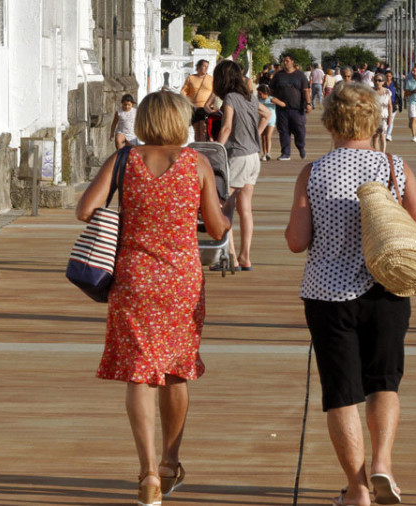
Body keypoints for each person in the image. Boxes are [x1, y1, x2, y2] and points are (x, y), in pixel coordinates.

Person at [75, 90, 230, 506]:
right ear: (180, 122)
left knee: (139, 373)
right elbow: (217, 230)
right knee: (176, 369)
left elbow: (85, 209)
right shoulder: (196, 164)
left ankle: (146, 474)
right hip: (181, 280)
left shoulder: (124, 160)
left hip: (134, 278)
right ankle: (169, 461)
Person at [285, 82, 416, 506]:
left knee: (342, 391)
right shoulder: (392, 166)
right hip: (385, 289)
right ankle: (383, 462)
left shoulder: (313, 172)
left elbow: (297, 241)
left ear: (331, 122)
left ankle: (358, 487)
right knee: (384, 383)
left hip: (328, 295)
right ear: (375, 121)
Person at [213, 60, 271, 271]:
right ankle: (245, 256)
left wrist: (216, 151)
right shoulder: (249, 96)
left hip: (238, 155)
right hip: (253, 157)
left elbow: (227, 127)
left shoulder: (230, 97)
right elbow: (267, 114)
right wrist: (257, 133)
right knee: (244, 208)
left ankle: (229, 256)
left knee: (220, 205)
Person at [270, 53, 312, 161]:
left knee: (300, 131)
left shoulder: (300, 75)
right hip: (282, 109)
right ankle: (285, 153)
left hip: (297, 109)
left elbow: (306, 91)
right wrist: (274, 100)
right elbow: (271, 90)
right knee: (283, 131)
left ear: (292, 62)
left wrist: (308, 104)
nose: (285, 63)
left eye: (287, 61)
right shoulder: (278, 75)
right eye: (284, 61)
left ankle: (301, 147)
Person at [257, 84, 283, 161]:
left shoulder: (271, 99)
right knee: (263, 137)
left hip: (271, 120)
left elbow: (283, 104)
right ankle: (264, 153)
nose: (259, 95)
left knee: (268, 136)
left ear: (265, 93)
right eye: (258, 93)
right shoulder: (259, 100)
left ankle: (268, 152)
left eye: (260, 93)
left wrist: (275, 102)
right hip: (262, 120)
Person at [372, 73, 393, 153]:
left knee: (382, 136)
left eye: (379, 80)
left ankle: (383, 153)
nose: (377, 82)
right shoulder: (371, 91)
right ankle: (376, 153)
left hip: (384, 117)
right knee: (375, 136)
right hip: (373, 117)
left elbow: (390, 106)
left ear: (383, 82)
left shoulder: (387, 92)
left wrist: (390, 118)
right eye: (376, 80)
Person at [384, 70, 401, 142]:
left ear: (392, 77)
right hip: (384, 105)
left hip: (393, 104)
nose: (388, 78)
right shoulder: (382, 84)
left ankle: (388, 134)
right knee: (385, 120)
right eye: (387, 76)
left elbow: (399, 94)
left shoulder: (395, 84)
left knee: (391, 119)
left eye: (389, 76)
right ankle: (384, 133)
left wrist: (399, 104)